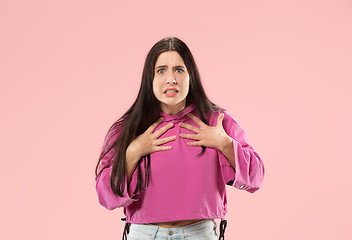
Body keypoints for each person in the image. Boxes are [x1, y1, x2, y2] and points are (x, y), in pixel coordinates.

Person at [95, 37, 265, 240]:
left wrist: (224, 143)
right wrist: (134, 151)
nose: (171, 79)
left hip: (199, 234)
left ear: (190, 75)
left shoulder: (217, 121)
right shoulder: (129, 127)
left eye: (179, 69)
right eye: (161, 70)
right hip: (143, 234)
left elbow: (257, 178)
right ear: (149, 78)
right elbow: (105, 195)